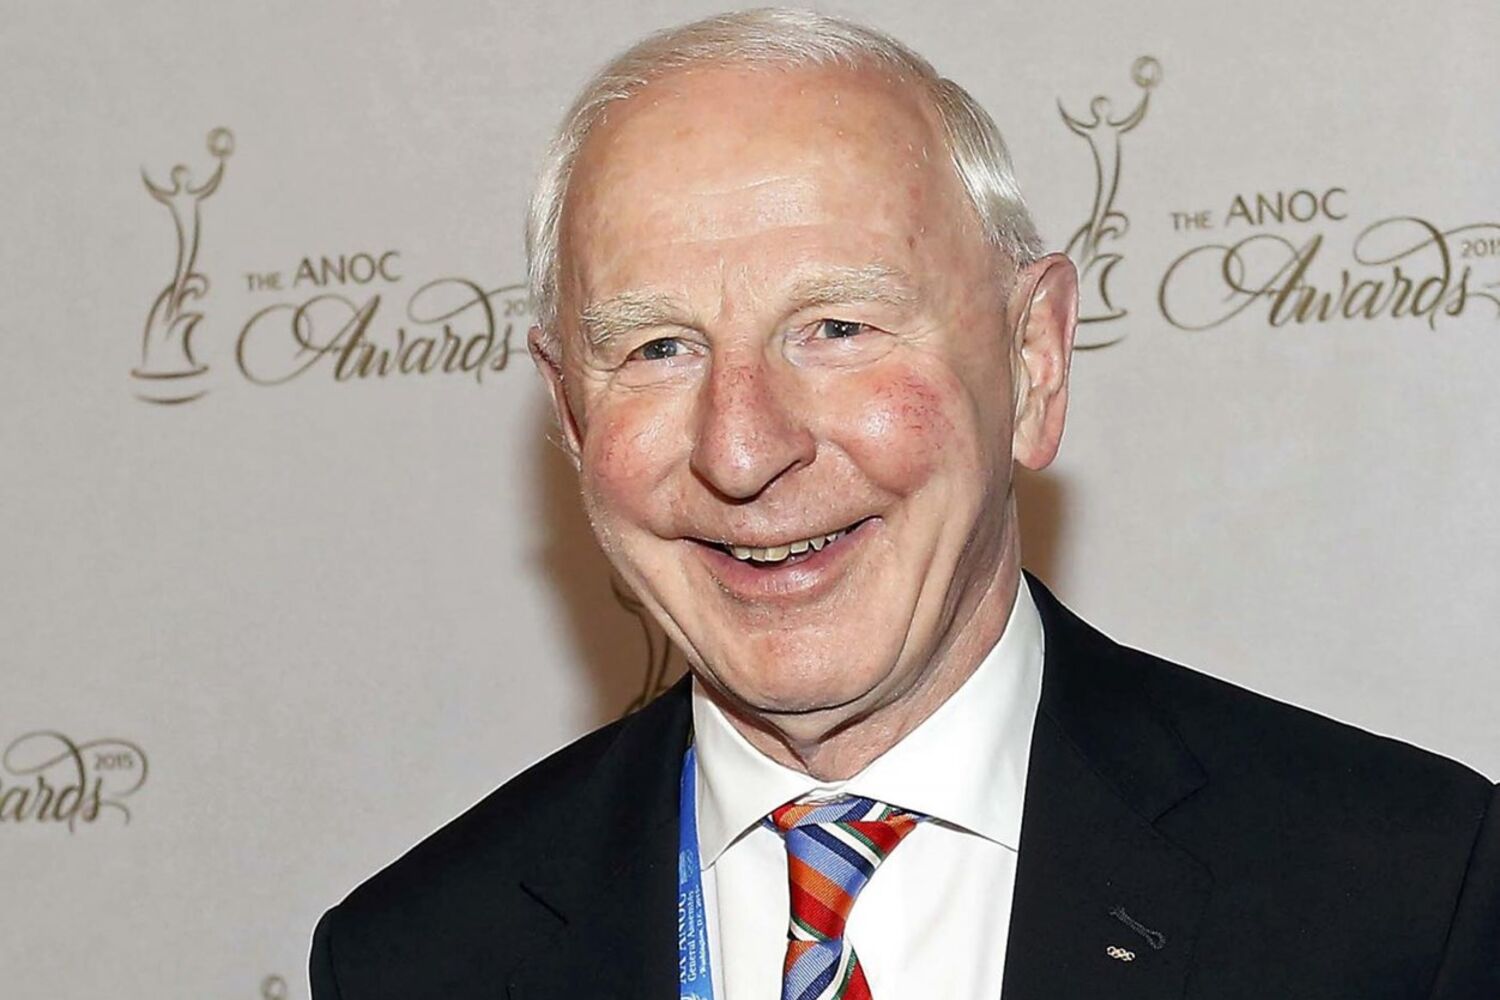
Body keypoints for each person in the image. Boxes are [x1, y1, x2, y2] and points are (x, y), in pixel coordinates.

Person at [310, 10, 1500, 998]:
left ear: (1034, 360)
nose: (742, 449)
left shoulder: (1405, 900)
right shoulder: (417, 958)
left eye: (837, 327)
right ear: (570, 415)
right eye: (659, 347)